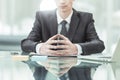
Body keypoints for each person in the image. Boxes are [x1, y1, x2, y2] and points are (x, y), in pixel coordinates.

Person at [21, 0, 105, 80]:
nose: (62, 1)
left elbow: (99, 44)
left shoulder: (85, 18)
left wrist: (77, 49)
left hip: (78, 70)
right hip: (47, 69)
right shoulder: (42, 17)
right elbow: (26, 43)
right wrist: (40, 48)